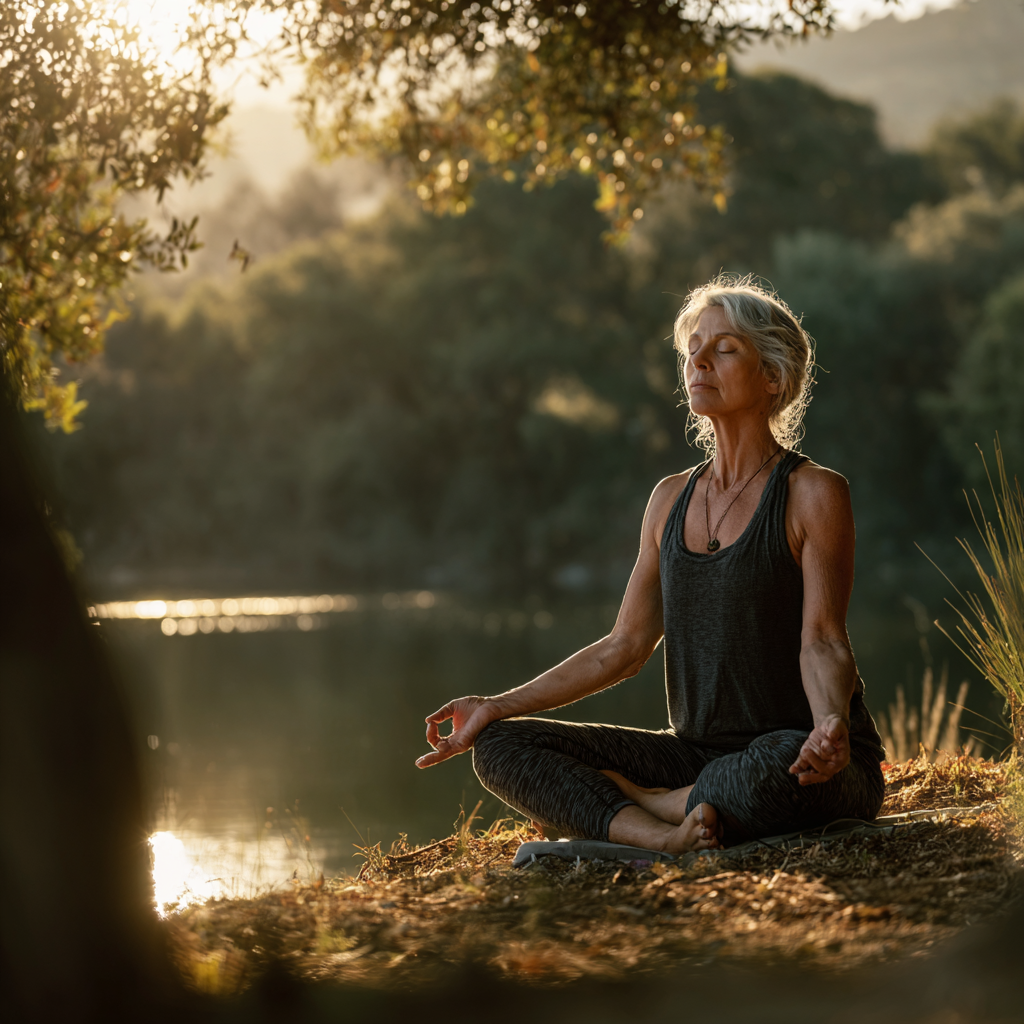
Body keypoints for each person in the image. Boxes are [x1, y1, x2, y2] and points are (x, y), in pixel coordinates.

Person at [415, 277, 885, 853]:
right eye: (693, 349)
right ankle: (662, 834)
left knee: (778, 762)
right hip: (694, 754)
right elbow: (624, 647)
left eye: (724, 349)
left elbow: (823, 640)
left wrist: (831, 723)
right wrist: (493, 707)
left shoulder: (812, 493)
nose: (699, 361)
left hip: (805, 756)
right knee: (502, 746)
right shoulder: (669, 500)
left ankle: (653, 802)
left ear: (772, 376)